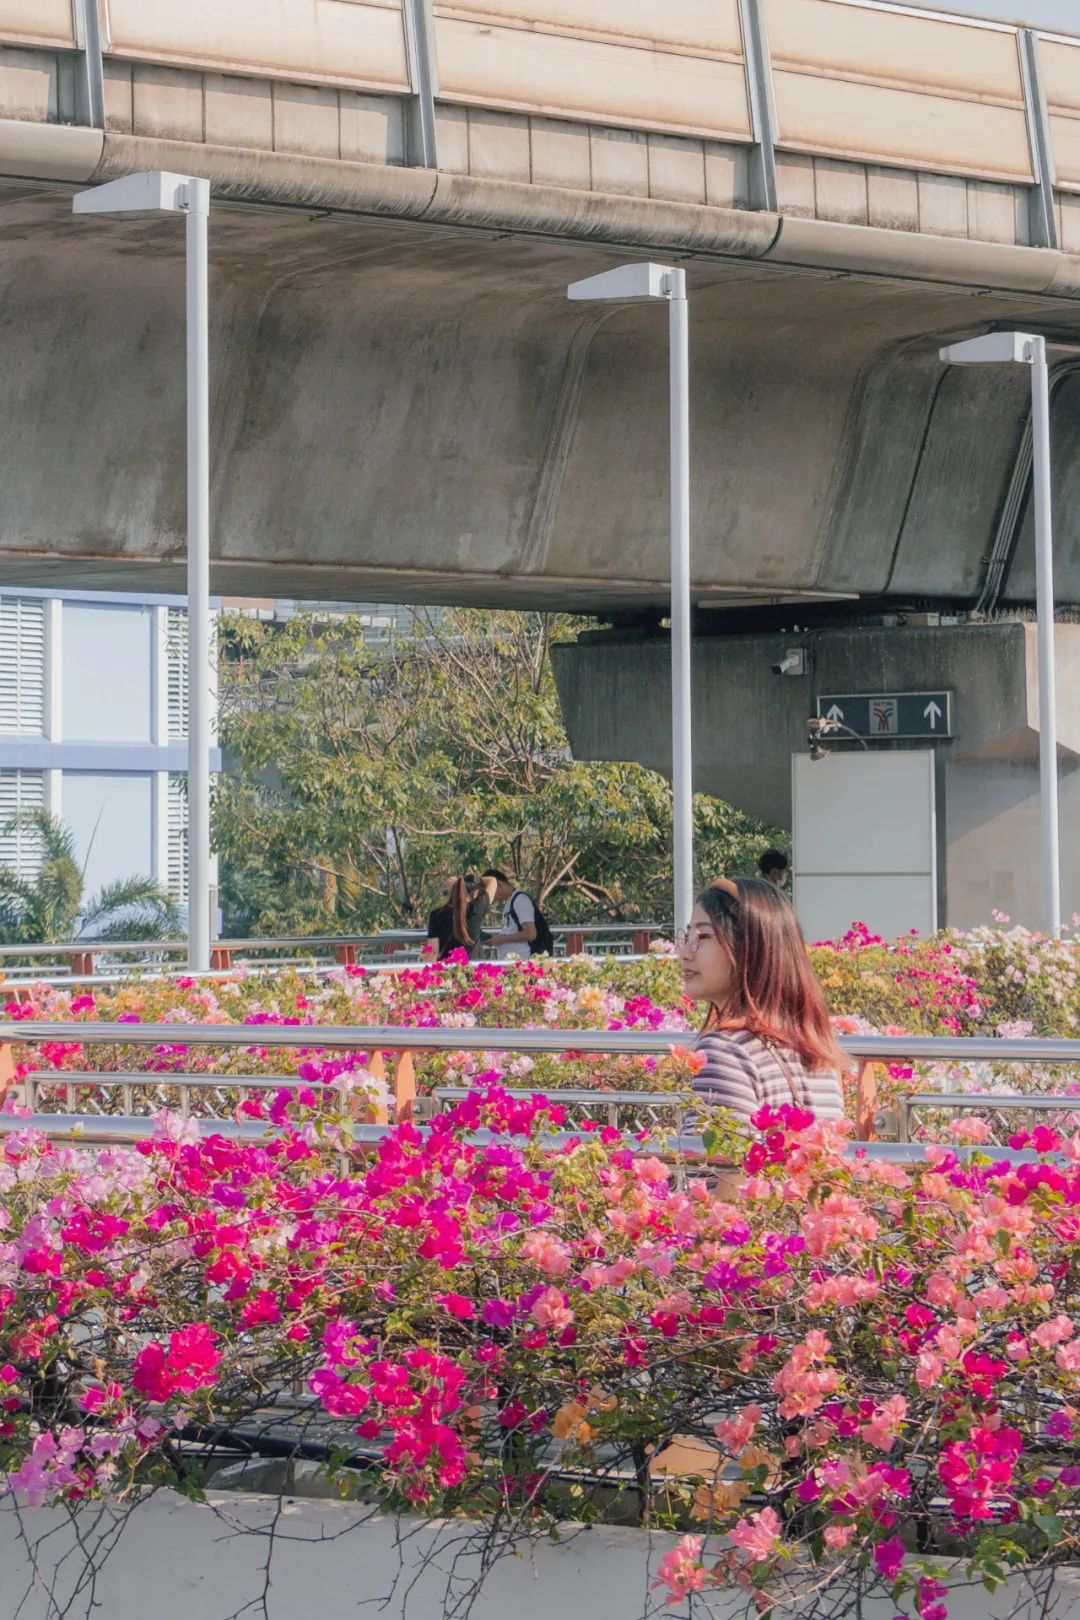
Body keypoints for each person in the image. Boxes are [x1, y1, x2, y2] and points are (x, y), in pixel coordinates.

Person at [678, 876, 846, 1121]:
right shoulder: (817, 1053)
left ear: (749, 947)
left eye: (702, 937)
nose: (684, 953)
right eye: (687, 937)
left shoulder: (724, 1051)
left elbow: (713, 1156)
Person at [426, 873, 496, 962]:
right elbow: (492, 881)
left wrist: (459, 883)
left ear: (451, 891)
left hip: (448, 971)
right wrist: (462, 882)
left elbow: (433, 953)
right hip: (474, 970)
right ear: (475, 892)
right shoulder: (477, 909)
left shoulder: (436, 915)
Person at [483, 868, 539, 960]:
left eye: (491, 893)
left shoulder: (520, 900)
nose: (492, 898)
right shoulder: (509, 901)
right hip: (510, 963)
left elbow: (530, 933)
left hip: (521, 961)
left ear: (499, 885)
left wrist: (501, 939)